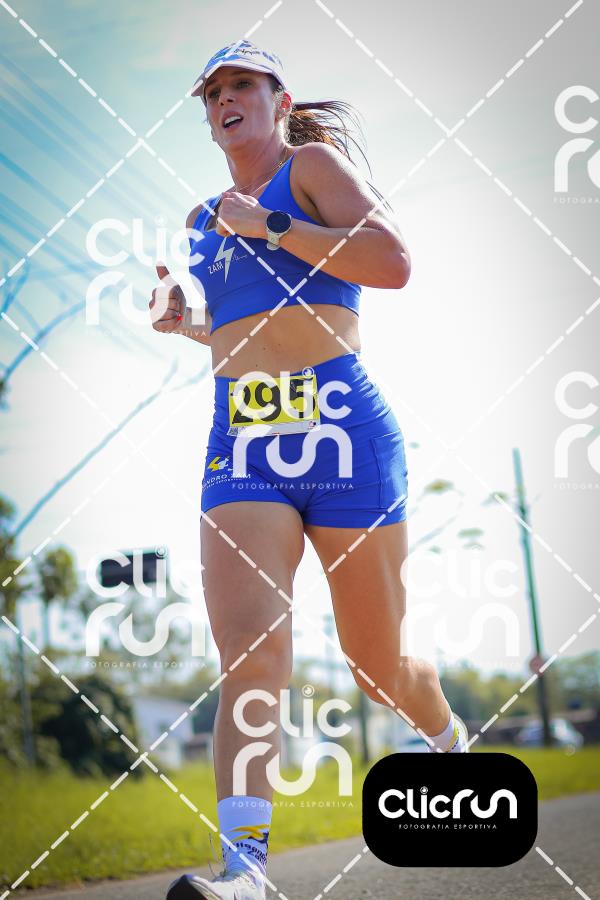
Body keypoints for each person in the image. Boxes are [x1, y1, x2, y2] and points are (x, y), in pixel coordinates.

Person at [149, 40, 469, 900]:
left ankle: (447, 741)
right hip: (246, 440)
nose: (225, 98)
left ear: (279, 101)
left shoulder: (311, 170)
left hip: (341, 429)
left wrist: (272, 223)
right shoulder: (201, 218)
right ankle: (246, 872)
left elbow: (391, 264)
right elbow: (247, 325)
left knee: (377, 666)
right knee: (251, 653)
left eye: (242, 85)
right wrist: (187, 321)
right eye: (212, 91)